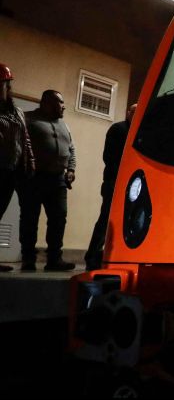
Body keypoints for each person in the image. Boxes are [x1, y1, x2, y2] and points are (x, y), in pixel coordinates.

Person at [20, 90, 76, 271]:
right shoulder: (28, 119)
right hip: (34, 179)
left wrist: (71, 169)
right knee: (30, 219)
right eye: (60, 102)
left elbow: (71, 149)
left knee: (59, 219)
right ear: (46, 103)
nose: (63, 106)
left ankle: (54, 260)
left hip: (58, 180)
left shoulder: (64, 126)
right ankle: (28, 259)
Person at [84, 103, 137, 270]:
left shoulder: (135, 131)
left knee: (123, 221)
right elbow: (109, 157)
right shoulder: (119, 129)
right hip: (115, 182)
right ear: (128, 112)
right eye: (134, 112)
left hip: (128, 183)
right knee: (106, 220)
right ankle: (92, 257)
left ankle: (108, 257)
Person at [0, 63, 35, 272]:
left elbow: (25, 139)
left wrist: (30, 161)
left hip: (12, 170)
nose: (7, 88)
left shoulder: (17, 112)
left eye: (7, 84)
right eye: (5, 84)